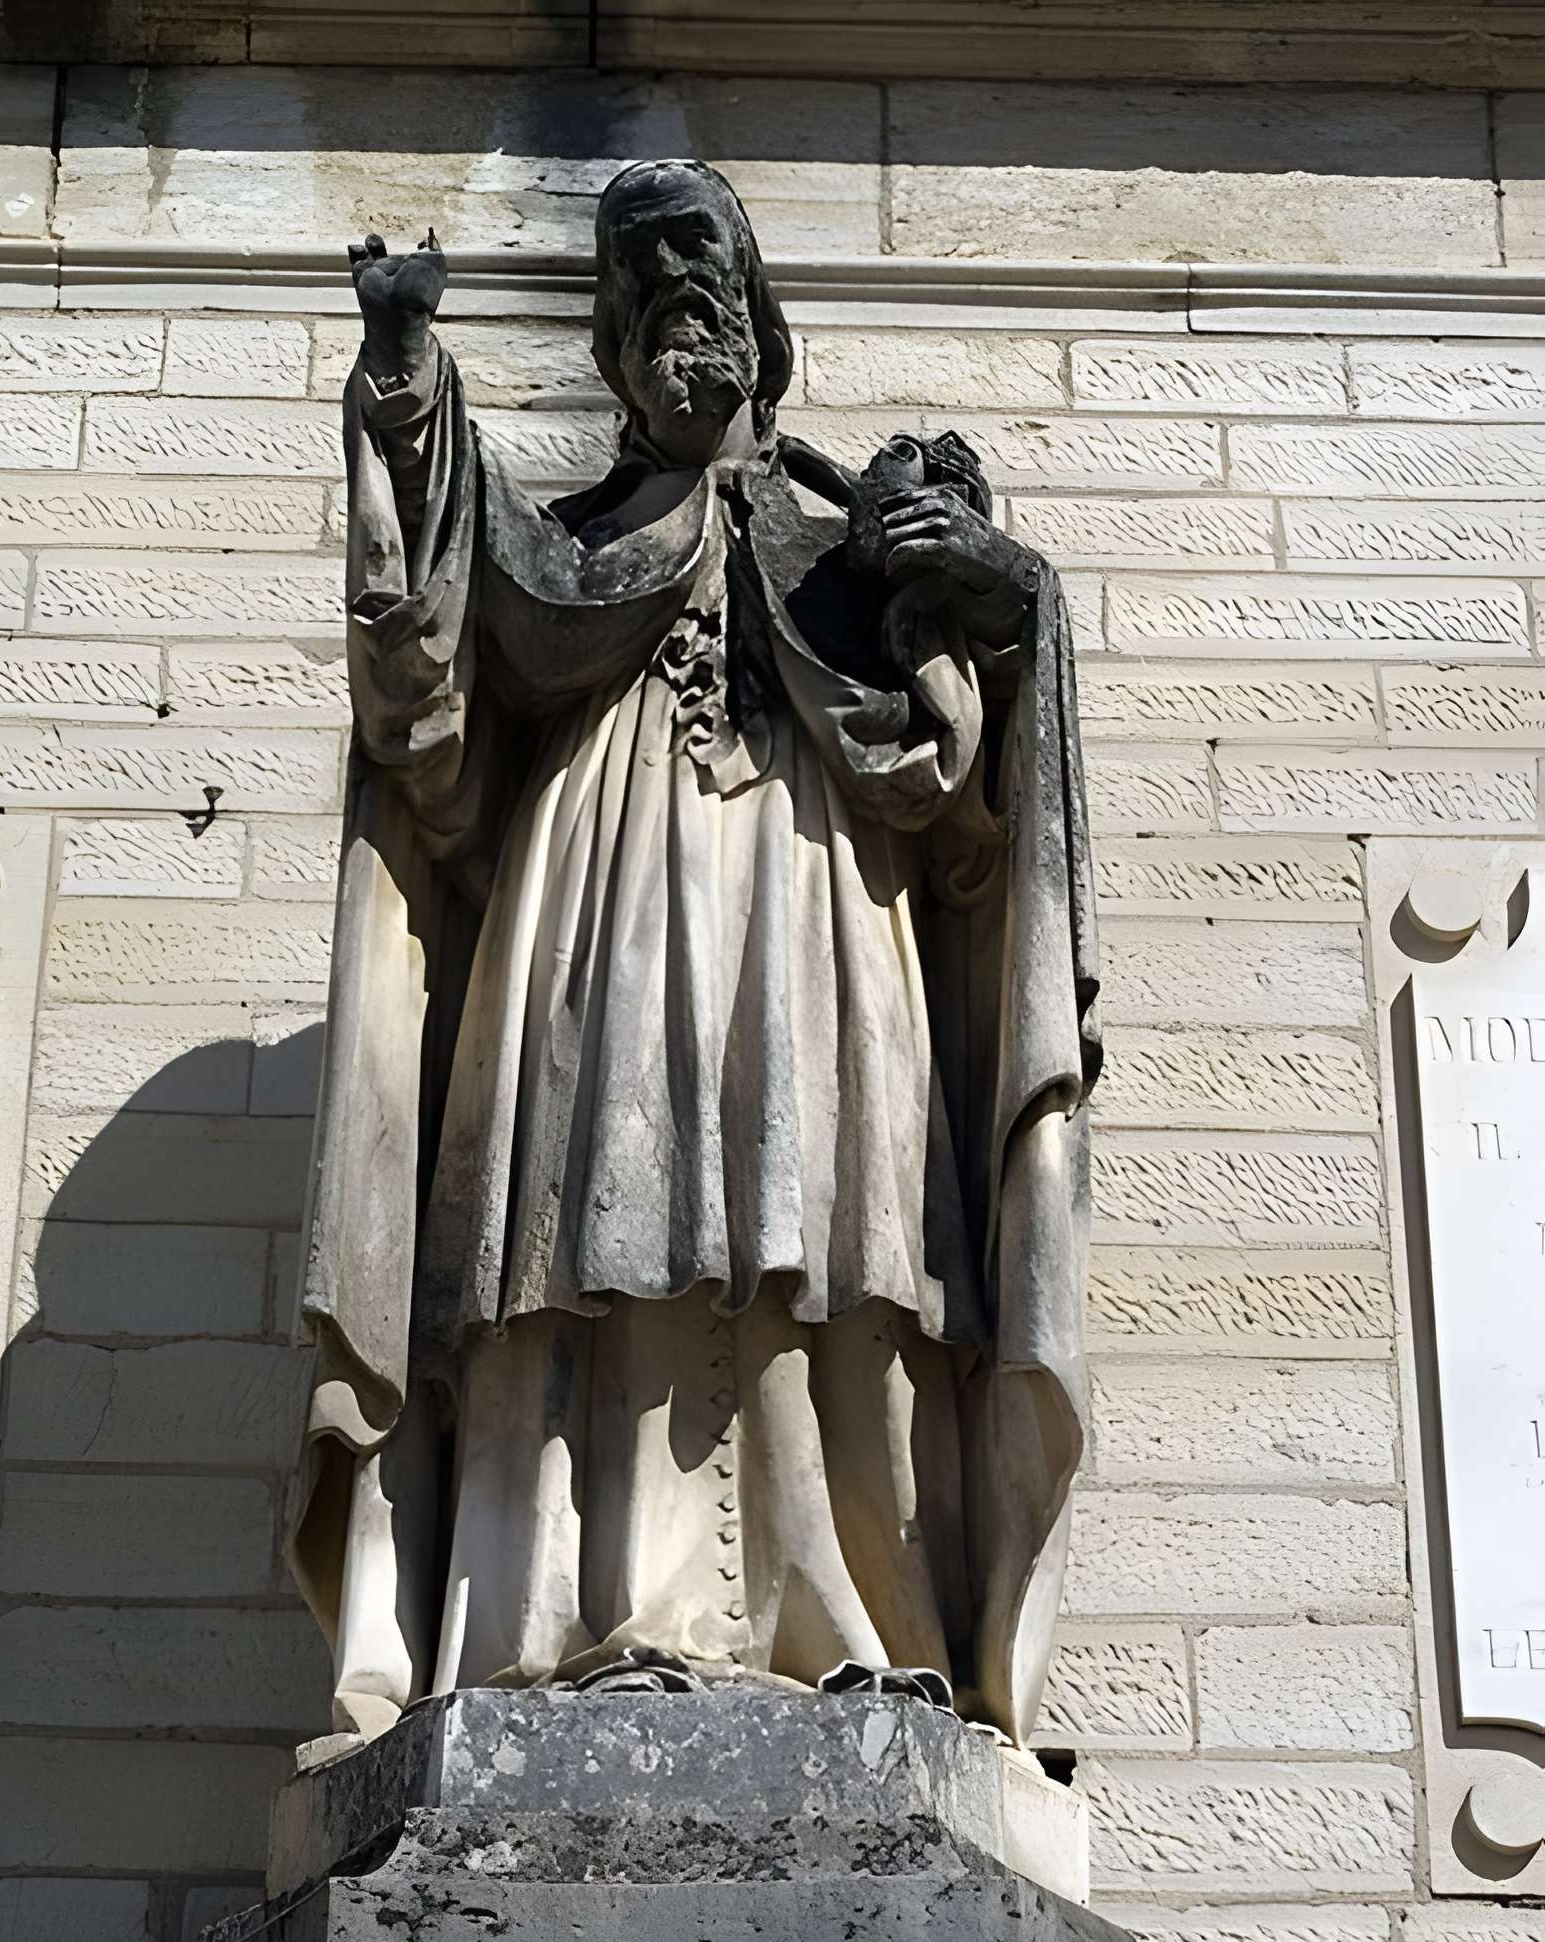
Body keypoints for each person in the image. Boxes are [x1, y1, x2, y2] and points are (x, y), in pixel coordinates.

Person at [289, 159, 1099, 1746]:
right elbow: (428, 679)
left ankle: (853, 1613)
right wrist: (403, 381)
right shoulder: (567, 543)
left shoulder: (853, 564)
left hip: (818, 905)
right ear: (611, 353)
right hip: (590, 894)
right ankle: (566, 1616)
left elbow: (977, 803)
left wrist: (1000, 591)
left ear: (762, 329)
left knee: (839, 1224)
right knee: (590, 1210)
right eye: (642, 287)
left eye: (707, 276)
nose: (679, 302)